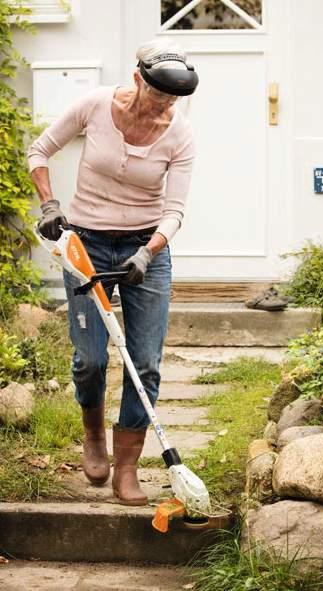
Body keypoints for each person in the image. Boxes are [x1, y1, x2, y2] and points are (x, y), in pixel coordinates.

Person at [28, 38, 199, 506]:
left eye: (173, 100)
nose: (165, 106)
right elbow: (39, 151)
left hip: (146, 249)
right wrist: (49, 205)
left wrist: (149, 251)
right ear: (138, 79)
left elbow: (175, 210)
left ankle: (127, 467)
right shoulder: (95, 106)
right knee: (90, 360)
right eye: (159, 95)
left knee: (144, 363)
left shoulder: (179, 134)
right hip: (86, 246)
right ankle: (94, 436)